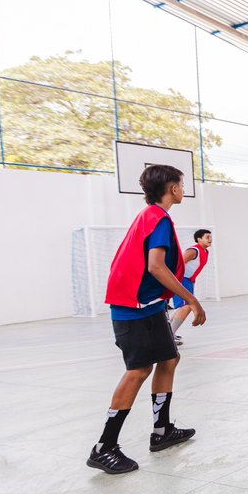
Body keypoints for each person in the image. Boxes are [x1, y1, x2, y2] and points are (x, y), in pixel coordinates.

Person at [87, 165, 204, 475]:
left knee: (169, 359)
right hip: (133, 308)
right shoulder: (158, 218)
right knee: (138, 370)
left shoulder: (151, 216)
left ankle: (162, 430)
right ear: (172, 188)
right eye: (180, 184)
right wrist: (190, 299)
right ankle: (104, 446)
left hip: (149, 306)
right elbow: (155, 266)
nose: (182, 188)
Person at [168, 229, 212, 346]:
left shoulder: (205, 252)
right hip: (181, 279)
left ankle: (168, 333)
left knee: (183, 307)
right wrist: (173, 281)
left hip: (188, 281)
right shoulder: (193, 250)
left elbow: (195, 270)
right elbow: (179, 264)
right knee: (187, 307)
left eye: (210, 237)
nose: (210, 239)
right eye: (207, 237)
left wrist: (192, 282)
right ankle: (169, 336)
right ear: (199, 239)